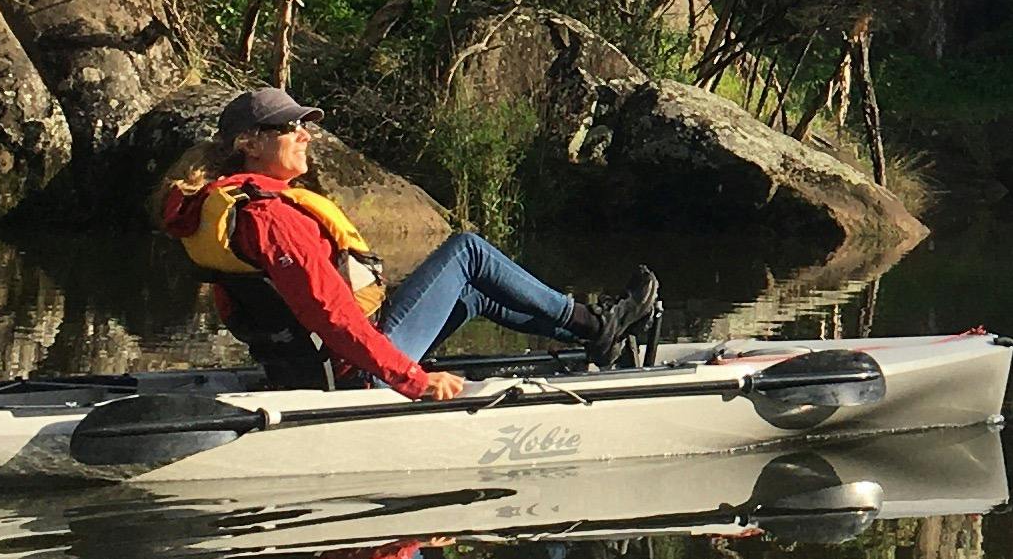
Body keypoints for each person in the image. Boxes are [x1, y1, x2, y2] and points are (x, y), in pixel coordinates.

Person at [155, 87, 656, 400]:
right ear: (250, 142)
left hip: (315, 365)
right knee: (467, 251)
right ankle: (593, 323)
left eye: (305, 126)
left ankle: (596, 336)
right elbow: (330, 315)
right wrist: (412, 381)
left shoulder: (217, 210)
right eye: (291, 127)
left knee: (473, 292)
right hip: (352, 374)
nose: (306, 136)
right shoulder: (269, 218)